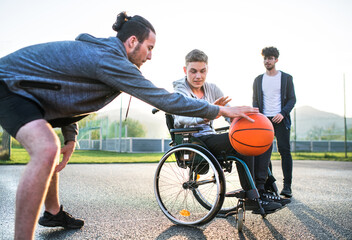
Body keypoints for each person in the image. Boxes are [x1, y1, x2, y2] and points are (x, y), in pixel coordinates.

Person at [0, 12, 259, 239]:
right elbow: (163, 98)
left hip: (31, 95)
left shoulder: (105, 55)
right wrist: (220, 110)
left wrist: (70, 138)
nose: (150, 55)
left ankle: (53, 212)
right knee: (46, 148)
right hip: (9, 85)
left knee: (51, 149)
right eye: (149, 47)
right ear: (132, 41)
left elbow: (65, 94)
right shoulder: (110, 59)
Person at [173, 49, 283, 213]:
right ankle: (252, 196)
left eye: (202, 71)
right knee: (244, 142)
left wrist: (246, 118)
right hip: (195, 139)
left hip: (211, 136)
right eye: (193, 71)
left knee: (261, 136)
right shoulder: (180, 92)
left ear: (207, 70)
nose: (198, 76)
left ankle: (261, 189)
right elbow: (181, 119)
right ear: (185, 70)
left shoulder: (212, 89)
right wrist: (208, 114)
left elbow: (229, 114)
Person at [252, 46, 296, 198]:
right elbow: (255, 101)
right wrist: (259, 117)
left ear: (276, 60)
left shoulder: (286, 78)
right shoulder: (258, 80)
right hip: (264, 122)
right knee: (264, 154)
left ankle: (287, 187)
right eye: (265, 58)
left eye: (270, 58)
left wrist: (283, 113)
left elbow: (292, 99)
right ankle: (267, 185)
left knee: (285, 151)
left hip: (281, 119)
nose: (267, 61)